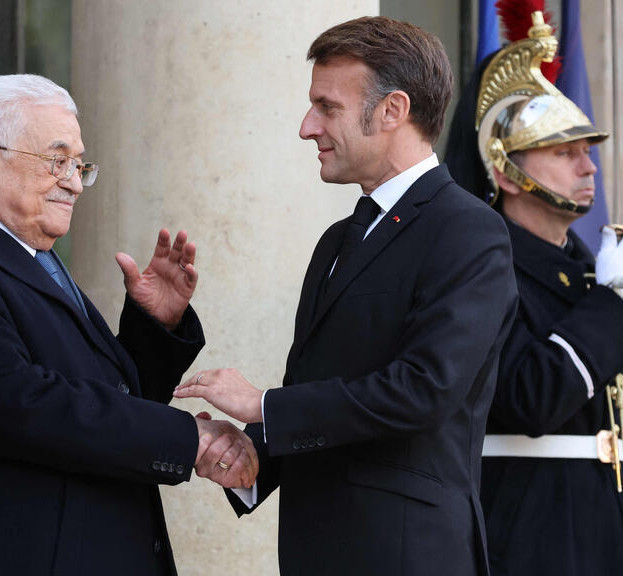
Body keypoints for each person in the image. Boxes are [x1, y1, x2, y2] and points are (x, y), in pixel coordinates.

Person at [0, 74, 257, 576]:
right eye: (57, 162)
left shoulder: (27, 252)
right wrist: (190, 439)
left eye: (79, 164)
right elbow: (25, 409)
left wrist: (154, 327)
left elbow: (103, 396)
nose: (74, 182)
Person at [173, 17, 518, 575]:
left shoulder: (468, 230)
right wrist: (254, 458)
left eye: (327, 107)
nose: (307, 127)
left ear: (392, 110)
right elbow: (320, 389)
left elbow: (425, 389)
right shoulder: (337, 240)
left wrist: (265, 407)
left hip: (408, 556)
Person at [443, 6, 623, 575]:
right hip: (532, 538)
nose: (588, 168)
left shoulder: (588, 273)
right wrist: (614, 305)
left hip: (611, 540)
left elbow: (622, 428)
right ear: (505, 171)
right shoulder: (482, 269)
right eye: (564, 152)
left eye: (586, 151)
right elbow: (531, 397)